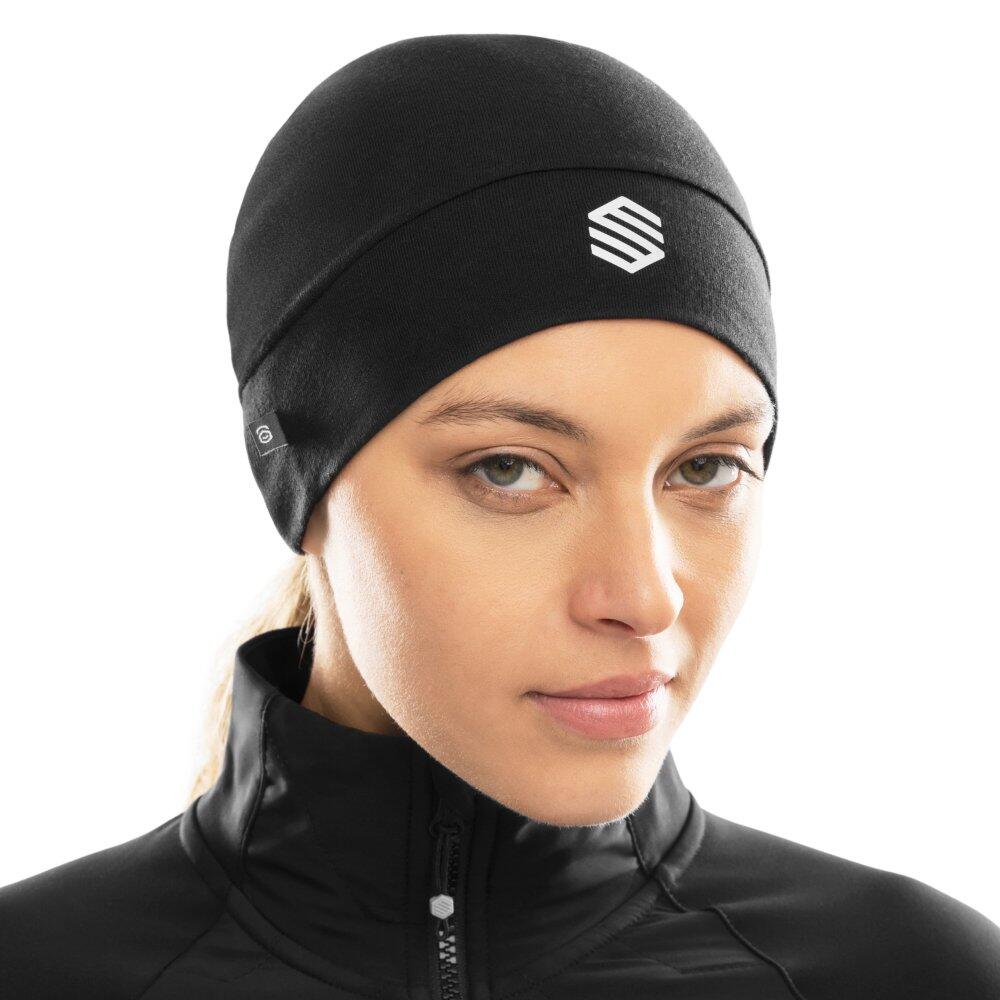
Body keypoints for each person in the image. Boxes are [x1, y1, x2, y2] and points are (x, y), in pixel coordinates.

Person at [2, 32, 998, 1000]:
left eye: (705, 467)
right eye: (511, 470)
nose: (643, 596)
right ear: (297, 477)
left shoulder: (918, 976)